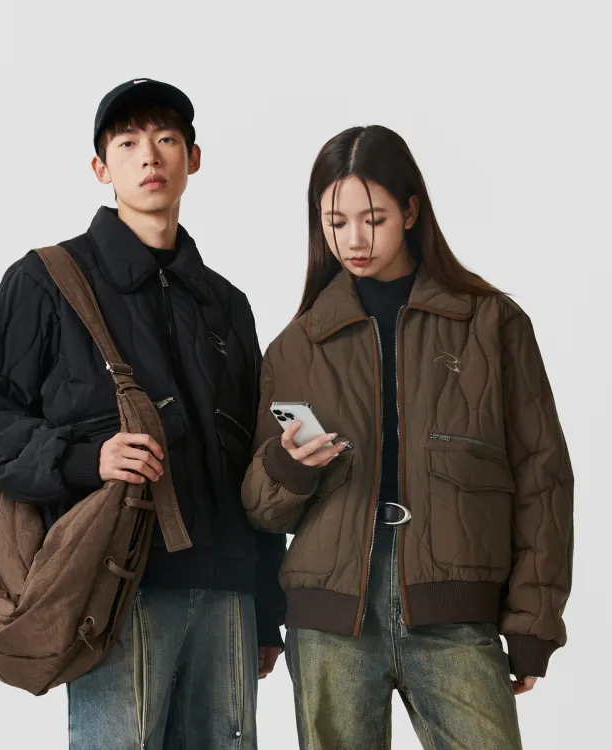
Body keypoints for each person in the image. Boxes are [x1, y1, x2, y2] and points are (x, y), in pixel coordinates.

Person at [0, 78, 285, 749]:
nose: (149, 155)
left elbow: (253, 456)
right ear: (100, 168)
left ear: (193, 158)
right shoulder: (47, 280)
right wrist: (85, 459)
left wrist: (266, 607)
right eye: (127, 143)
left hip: (227, 595)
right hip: (118, 588)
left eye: (166, 139)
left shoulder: (225, 304)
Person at [241, 124, 574, 749]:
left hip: (455, 612)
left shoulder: (492, 324)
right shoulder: (295, 347)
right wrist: (289, 468)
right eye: (336, 223)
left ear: (412, 211)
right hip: (330, 621)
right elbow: (261, 510)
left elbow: (543, 476)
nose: (355, 240)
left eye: (374, 219)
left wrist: (533, 622)